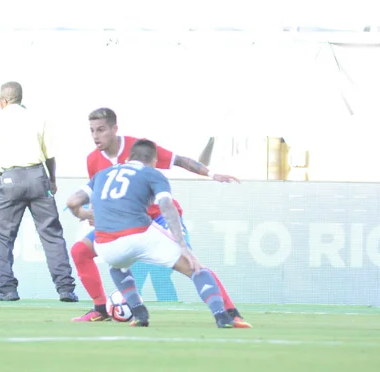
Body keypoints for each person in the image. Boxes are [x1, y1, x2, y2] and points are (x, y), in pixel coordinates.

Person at [70, 108, 251, 328]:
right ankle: (100, 309)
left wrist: (212, 174)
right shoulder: (92, 160)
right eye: (92, 131)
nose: (96, 136)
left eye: (101, 130)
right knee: (80, 251)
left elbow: (180, 160)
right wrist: (94, 213)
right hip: (126, 222)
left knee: (191, 262)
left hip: (159, 218)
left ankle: (231, 312)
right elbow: (99, 192)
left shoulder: (141, 148)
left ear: (114, 129)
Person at [0, 81, 78, 302]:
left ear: (3, 101)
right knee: (52, 235)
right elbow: (50, 155)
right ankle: (66, 288)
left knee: (3, 237)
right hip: (39, 177)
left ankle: (7, 288)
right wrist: (52, 180)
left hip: (11, 180)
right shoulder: (38, 119)